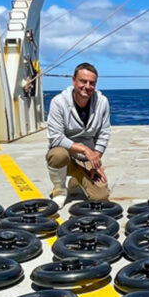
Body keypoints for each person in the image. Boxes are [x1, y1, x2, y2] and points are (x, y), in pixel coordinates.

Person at [46, 63, 110, 206]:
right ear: (74, 80)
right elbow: (56, 137)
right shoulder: (58, 102)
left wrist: (96, 160)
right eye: (83, 81)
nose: (87, 86)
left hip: (86, 158)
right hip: (66, 154)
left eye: (91, 83)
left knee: (101, 196)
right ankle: (60, 190)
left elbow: (104, 133)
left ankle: (75, 180)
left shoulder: (102, 102)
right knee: (57, 155)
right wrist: (86, 150)